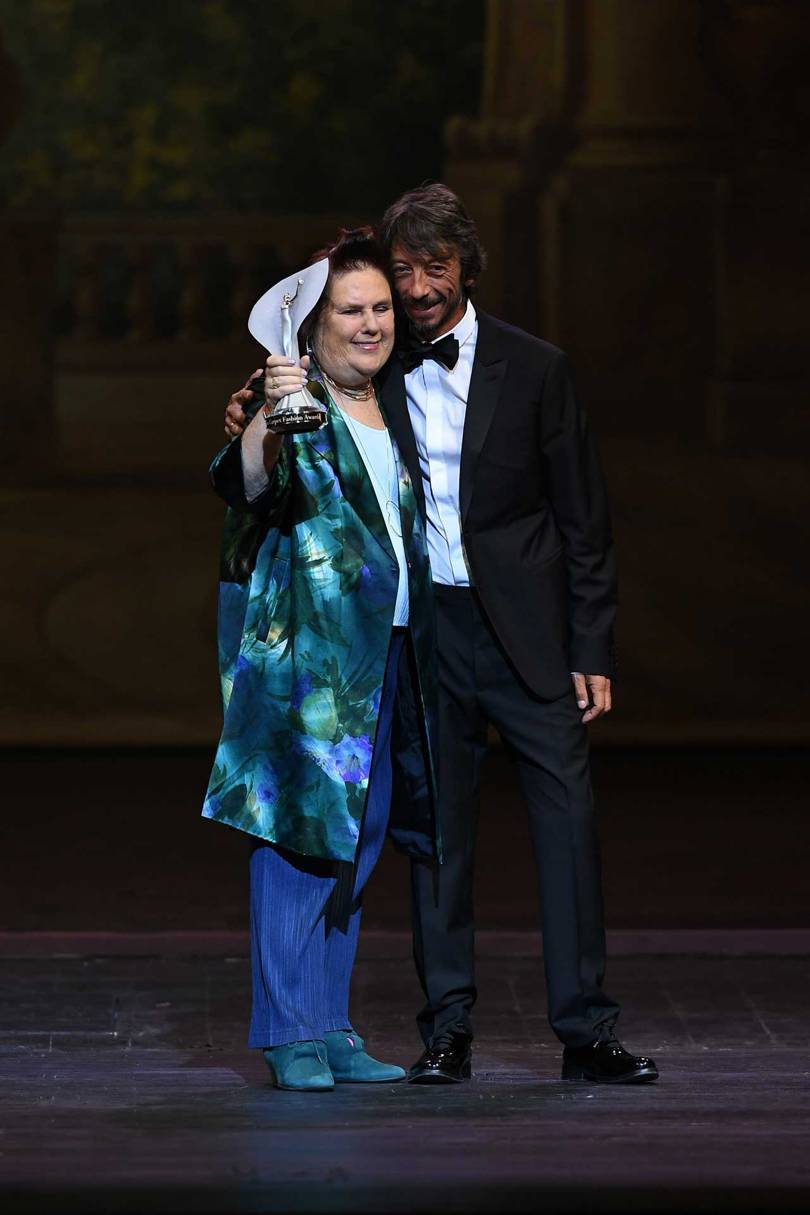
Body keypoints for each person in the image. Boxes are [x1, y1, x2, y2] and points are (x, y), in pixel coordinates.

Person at [225, 185, 658, 1087]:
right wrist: (255, 410)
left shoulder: (535, 368)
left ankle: (586, 1029)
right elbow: (264, 452)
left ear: (468, 268)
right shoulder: (357, 374)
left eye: (430, 271)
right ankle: (443, 1029)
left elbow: (586, 519)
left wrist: (592, 645)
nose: (411, 294)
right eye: (394, 278)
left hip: (525, 636)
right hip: (411, 638)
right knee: (423, 836)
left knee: (543, 827)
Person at [205, 227, 440, 1092]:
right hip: (307, 669)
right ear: (312, 325)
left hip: (390, 660)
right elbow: (250, 479)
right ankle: (286, 1032)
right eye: (352, 309)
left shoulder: (402, 402)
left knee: (359, 844)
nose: (372, 323)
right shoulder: (296, 407)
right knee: (296, 842)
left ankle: (330, 1022)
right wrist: (270, 404)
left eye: (381, 307)